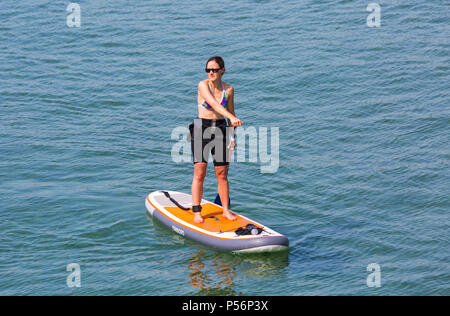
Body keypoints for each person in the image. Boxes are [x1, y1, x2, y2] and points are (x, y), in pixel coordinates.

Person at [190, 56, 243, 224]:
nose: (210, 72)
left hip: (220, 129)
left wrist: (232, 137)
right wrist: (231, 117)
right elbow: (213, 103)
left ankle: (226, 210)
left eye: (214, 69)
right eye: (208, 70)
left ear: (222, 70)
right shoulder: (202, 85)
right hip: (201, 129)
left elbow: (231, 113)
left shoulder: (229, 89)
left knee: (222, 174)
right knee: (200, 171)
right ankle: (197, 211)